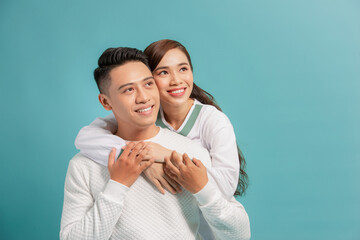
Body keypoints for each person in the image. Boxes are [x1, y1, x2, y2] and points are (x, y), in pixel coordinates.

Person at [60, 47, 251, 239]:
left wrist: (204, 191)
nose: (143, 97)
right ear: (106, 102)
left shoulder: (191, 153)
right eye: (128, 90)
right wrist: (117, 185)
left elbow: (239, 235)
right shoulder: (83, 165)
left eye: (148, 84)